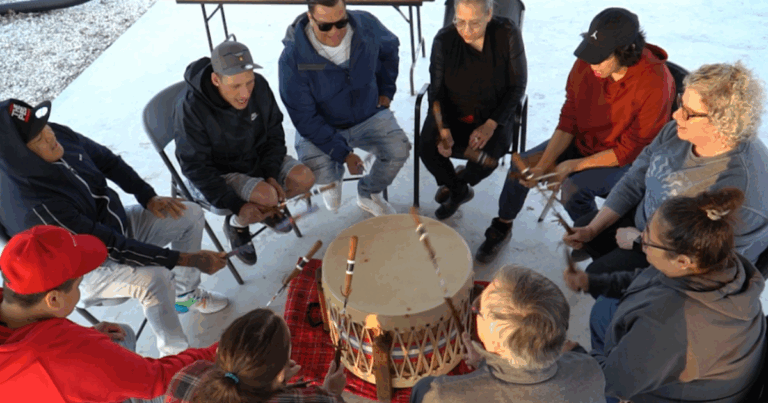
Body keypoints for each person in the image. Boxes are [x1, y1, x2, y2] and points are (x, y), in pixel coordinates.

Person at [0, 98, 229, 356]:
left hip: (115, 225)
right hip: (86, 270)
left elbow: (107, 160)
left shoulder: (56, 135)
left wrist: (147, 196)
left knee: (190, 213)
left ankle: (186, 294)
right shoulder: (38, 206)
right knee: (157, 279)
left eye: (45, 126)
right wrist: (187, 259)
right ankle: (176, 359)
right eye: (38, 138)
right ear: (21, 158)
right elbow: (110, 247)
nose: (50, 135)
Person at [476, 7, 674, 263]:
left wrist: (573, 165)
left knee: (573, 187)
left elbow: (631, 150)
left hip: (625, 161)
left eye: (600, 58)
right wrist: (546, 163)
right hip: (584, 142)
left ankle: (592, 233)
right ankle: (502, 225)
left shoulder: (656, 82)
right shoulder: (587, 65)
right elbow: (569, 118)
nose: (592, 64)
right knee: (522, 168)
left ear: (625, 52)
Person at [564, 61, 768, 276]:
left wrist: (640, 243)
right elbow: (635, 179)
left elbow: (712, 264)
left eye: (689, 113)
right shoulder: (677, 132)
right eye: (680, 103)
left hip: (680, 264)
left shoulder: (740, 190)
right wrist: (593, 229)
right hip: (649, 227)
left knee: (600, 275)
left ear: (722, 125)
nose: (676, 116)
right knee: (590, 232)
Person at [563, 188, 766, 402]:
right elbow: (650, 278)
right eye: (647, 229)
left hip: (671, 394)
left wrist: (577, 354)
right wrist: (593, 283)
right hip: (682, 361)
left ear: (682, 261)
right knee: (604, 308)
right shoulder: (718, 262)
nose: (641, 240)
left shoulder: (669, 324)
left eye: (648, 241)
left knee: (600, 382)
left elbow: (614, 382)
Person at [0, 225, 220, 403]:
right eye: (79, 284)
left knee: (123, 334)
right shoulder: (64, 353)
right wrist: (222, 349)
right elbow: (157, 379)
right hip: (60, 375)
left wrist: (89, 335)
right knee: (200, 386)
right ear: (54, 299)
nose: (79, 291)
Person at [175, 41, 316, 266]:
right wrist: (236, 204)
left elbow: (274, 132)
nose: (244, 94)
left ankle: (265, 207)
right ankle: (237, 224)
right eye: (236, 86)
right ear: (216, 80)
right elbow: (195, 167)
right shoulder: (191, 108)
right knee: (267, 196)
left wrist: (270, 173)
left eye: (249, 82)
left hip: (256, 158)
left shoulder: (259, 86)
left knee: (304, 178)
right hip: (220, 171)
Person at [278, 0, 411, 217]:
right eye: (325, 26)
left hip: (367, 113)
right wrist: (344, 154)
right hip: (321, 123)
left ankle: (368, 192)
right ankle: (331, 176)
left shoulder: (366, 25)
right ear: (310, 18)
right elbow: (304, 118)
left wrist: (386, 90)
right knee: (316, 167)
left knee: (400, 149)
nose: (335, 33)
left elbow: (390, 48)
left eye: (341, 23)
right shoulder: (293, 59)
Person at [409, 265, 605, 403]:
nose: (473, 307)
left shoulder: (438, 394)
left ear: (497, 344)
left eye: (478, 308)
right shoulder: (590, 369)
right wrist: (485, 364)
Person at [421, 0, 527, 220]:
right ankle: (459, 190)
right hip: (452, 112)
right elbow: (436, 92)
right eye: (460, 22)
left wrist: (490, 125)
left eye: (475, 23)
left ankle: (458, 184)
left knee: (487, 160)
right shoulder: (444, 40)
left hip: (492, 115)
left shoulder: (507, 33)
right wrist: (443, 128)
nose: (466, 31)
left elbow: (517, 85)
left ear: (489, 14)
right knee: (427, 148)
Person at [165, 308, 347, 403]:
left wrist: (277, 382)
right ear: (280, 373)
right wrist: (332, 391)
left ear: (220, 351)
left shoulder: (186, 376)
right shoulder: (313, 399)